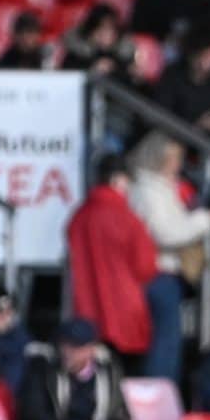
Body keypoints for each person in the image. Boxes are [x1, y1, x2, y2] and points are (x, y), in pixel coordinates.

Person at [124, 135, 210, 381]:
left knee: (167, 342)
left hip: (167, 272)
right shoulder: (147, 191)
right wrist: (204, 221)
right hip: (158, 273)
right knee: (165, 343)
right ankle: (158, 393)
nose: (178, 164)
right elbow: (164, 233)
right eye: (173, 158)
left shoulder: (162, 188)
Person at [66, 156, 160, 365]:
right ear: (118, 180)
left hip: (88, 308)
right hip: (124, 306)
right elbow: (146, 267)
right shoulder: (127, 217)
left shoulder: (80, 215)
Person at [21, 318, 132, 420]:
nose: (68, 352)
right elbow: (34, 415)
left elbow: (120, 409)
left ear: (92, 348)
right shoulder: (43, 368)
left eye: (76, 347)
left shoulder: (109, 370)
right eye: (64, 345)